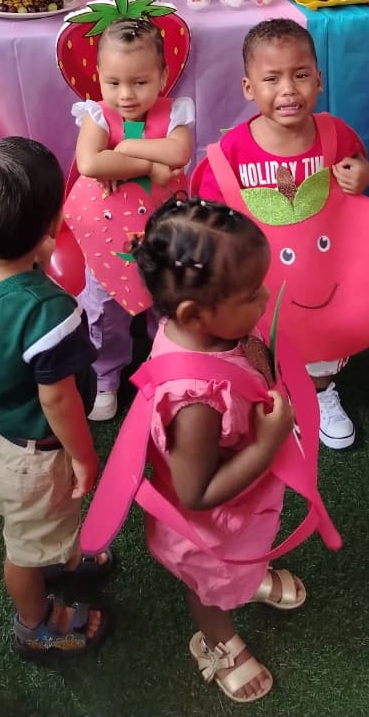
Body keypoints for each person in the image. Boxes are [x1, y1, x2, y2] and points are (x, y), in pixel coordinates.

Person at [130, 196, 307, 703]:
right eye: (252, 294)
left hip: (244, 506)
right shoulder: (196, 403)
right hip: (210, 530)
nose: (266, 296)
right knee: (211, 587)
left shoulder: (214, 329)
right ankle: (216, 639)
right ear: (194, 313)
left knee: (241, 564)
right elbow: (197, 493)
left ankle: (248, 576)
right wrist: (268, 443)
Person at [0, 137, 111, 660]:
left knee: (38, 527)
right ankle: (36, 624)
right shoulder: (49, 311)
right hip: (34, 457)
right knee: (23, 549)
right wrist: (83, 455)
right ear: (52, 225)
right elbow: (59, 401)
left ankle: (62, 554)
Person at [193, 19, 369, 450]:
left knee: (321, 337)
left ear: (319, 79)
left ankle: (321, 391)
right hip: (259, 277)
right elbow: (209, 215)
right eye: (272, 78)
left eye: (300, 75)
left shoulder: (334, 133)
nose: (289, 90)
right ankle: (276, 395)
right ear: (248, 87)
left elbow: (359, 168)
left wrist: (363, 174)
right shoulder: (233, 150)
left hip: (319, 271)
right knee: (261, 342)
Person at [67, 17, 194, 420]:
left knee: (167, 301)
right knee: (104, 309)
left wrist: (123, 151)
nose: (125, 95)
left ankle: (166, 367)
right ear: (98, 77)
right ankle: (106, 377)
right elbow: (90, 163)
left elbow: (178, 153)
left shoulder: (175, 114)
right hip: (106, 239)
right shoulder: (96, 115)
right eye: (114, 82)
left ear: (163, 77)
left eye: (140, 82)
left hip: (165, 235)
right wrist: (149, 166)